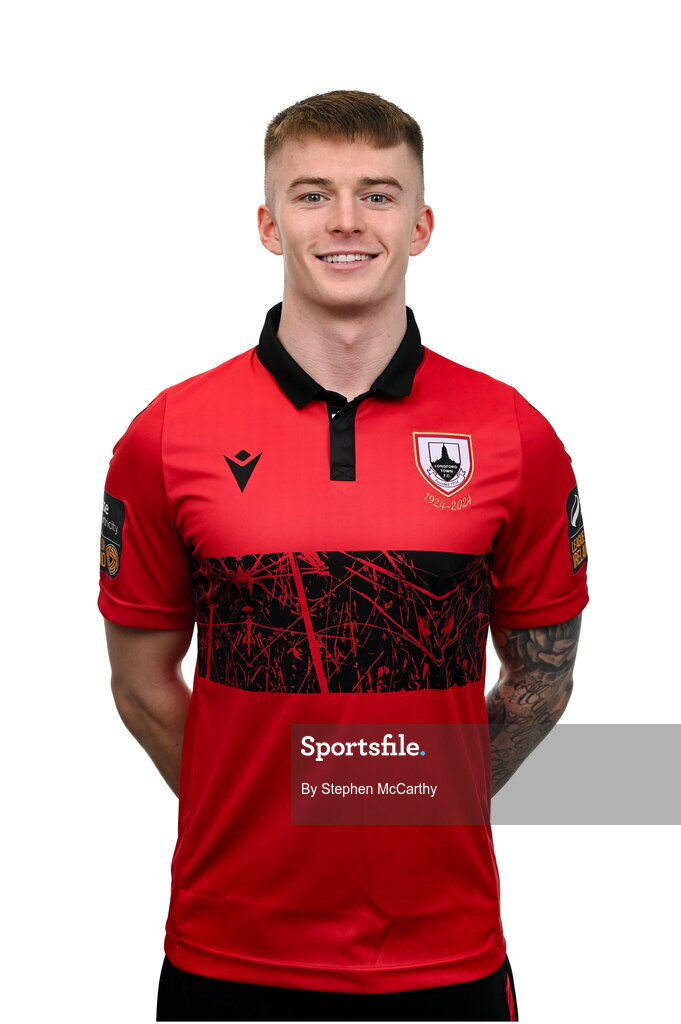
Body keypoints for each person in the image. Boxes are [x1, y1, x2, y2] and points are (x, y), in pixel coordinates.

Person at [99, 89, 588, 1022]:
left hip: (444, 952)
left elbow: (541, 681)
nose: (347, 221)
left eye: (378, 193)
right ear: (267, 222)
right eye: (313, 193)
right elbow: (140, 683)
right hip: (227, 946)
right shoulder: (166, 435)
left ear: (421, 223)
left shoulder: (513, 434)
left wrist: (405, 797)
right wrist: (266, 806)